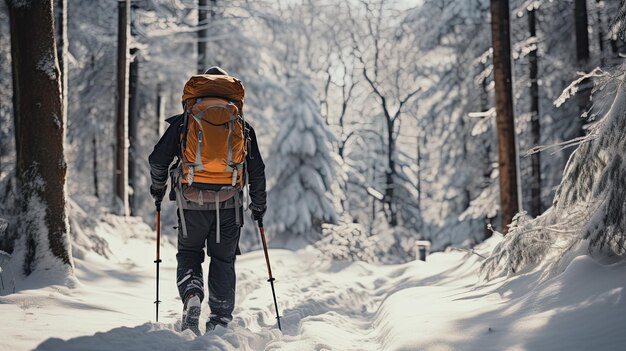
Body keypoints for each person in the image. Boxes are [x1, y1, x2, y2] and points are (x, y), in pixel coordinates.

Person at [148, 66, 267, 335]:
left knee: (190, 254)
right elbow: (257, 171)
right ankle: (220, 320)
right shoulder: (242, 127)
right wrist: (258, 206)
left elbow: (158, 160)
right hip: (229, 206)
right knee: (223, 260)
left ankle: (192, 293)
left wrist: (158, 188)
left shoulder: (184, 122)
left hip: (191, 203)